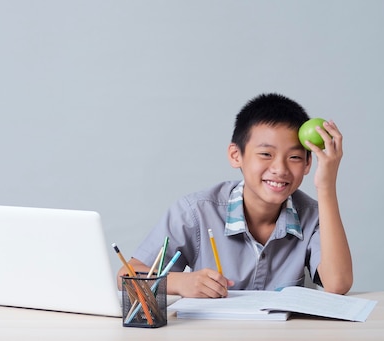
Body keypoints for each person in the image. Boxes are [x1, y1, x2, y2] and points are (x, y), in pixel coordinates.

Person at [117, 93, 353, 297]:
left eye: (294, 157)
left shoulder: (314, 214)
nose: (280, 169)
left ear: (307, 163)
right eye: (265, 154)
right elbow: (125, 275)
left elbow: (337, 284)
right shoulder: (196, 212)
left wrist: (327, 186)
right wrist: (180, 283)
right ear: (235, 155)